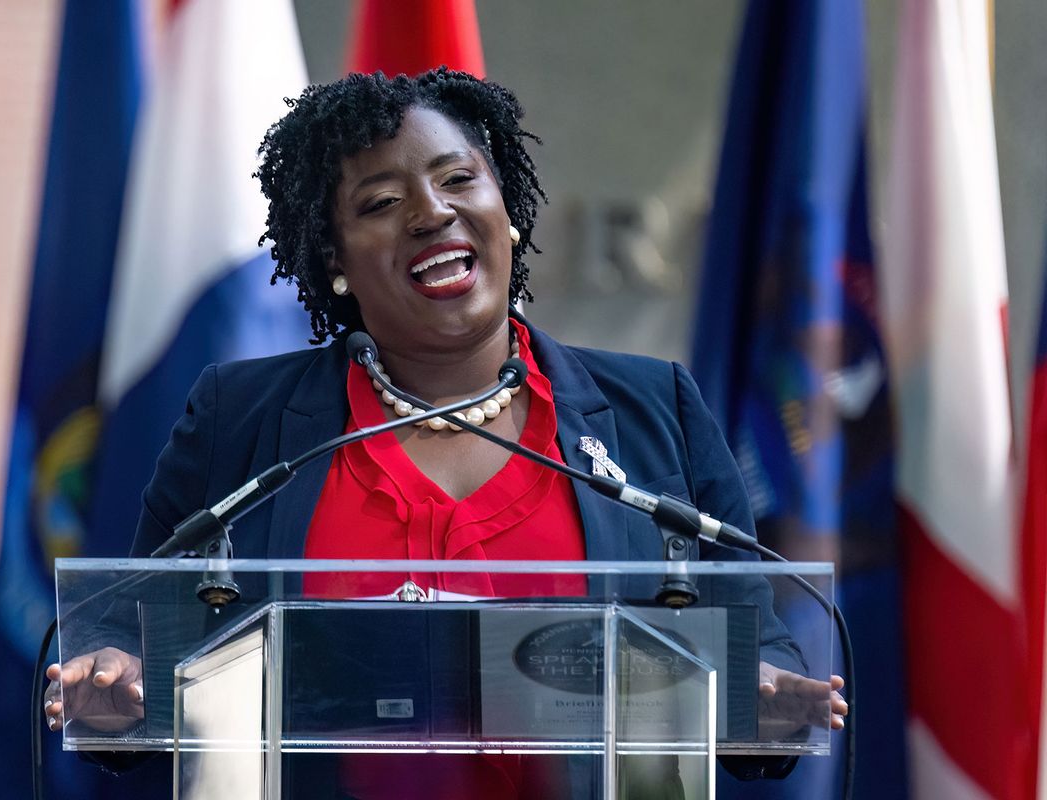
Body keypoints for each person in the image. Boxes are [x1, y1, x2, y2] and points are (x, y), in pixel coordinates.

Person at [45, 68, 847, 796]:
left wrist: (764, 691)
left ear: (508, 214)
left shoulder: (652, 410)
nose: (432, 213)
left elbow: (755, 644)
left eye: (460, 179)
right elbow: (133, 621)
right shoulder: (243, 422)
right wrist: (115, 674)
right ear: (334, 262)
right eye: (382, 204)